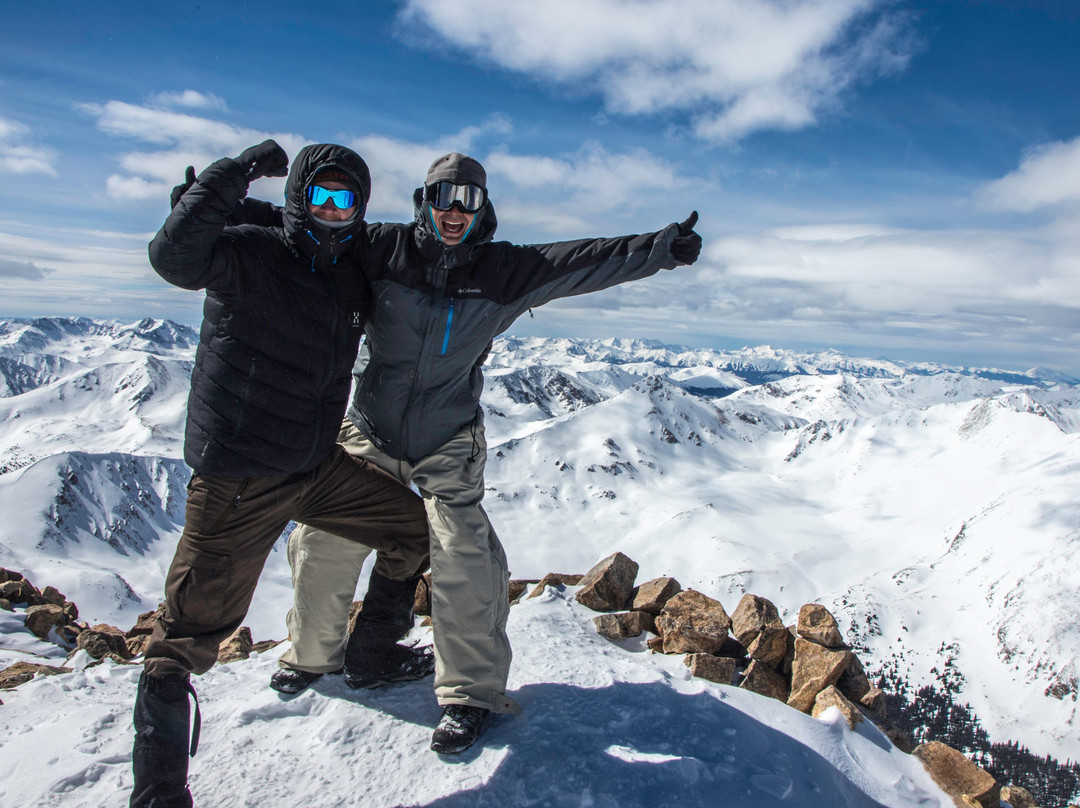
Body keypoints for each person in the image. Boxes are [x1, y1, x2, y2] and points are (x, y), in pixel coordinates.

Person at [267, 152, 703, 755]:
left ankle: (469, 696)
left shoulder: (505, 272)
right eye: (443, 196)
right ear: (425, 200)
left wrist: (659, 248)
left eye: (467, 199)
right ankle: (312, 655)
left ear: (483, 206)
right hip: (372, 427)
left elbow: (584, 261)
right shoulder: (382, 249)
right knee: (322, 538)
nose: (454, 210)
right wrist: (212, 212)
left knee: (463, 558)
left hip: (448, 439)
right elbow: (304, 229)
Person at [132, 140, 433, 808]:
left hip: (316, 467)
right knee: (181, 643)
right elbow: (172, 255)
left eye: (345, 198)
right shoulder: (247, 253)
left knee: (412, 528)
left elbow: (419, 246)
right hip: (237, 481)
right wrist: (231, 175)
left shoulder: (349, 265)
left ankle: (371, 654)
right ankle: (157, 795)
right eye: (318, 196)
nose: (332, 209)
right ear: (300, 198)